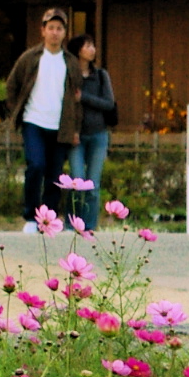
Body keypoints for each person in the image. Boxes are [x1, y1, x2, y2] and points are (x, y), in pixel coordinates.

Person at [1, 10, 83, 231]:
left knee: (55, 174)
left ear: (64, 33)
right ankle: (30, 216)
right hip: (33, 121)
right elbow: (12, 85)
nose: (55, 33)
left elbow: (77, 98)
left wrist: (75, 129)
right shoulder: (30, 58)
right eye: (51, 28)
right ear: (43, 31)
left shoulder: (71, 62)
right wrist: (15, 109)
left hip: (61, 126)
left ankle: (48, 219)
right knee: (36, 165)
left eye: (59, 28)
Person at [69, 33, 114, 231]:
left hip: (98, 134)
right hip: (76, 136)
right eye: (88, 46)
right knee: (77, 182)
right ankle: (72, 224)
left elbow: (109, 103)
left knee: (93, 186)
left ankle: (89, 227)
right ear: (78, 50)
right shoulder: (70, 75)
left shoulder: (101, 75)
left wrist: (85, 97)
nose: (92, 49)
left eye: (93, 46)